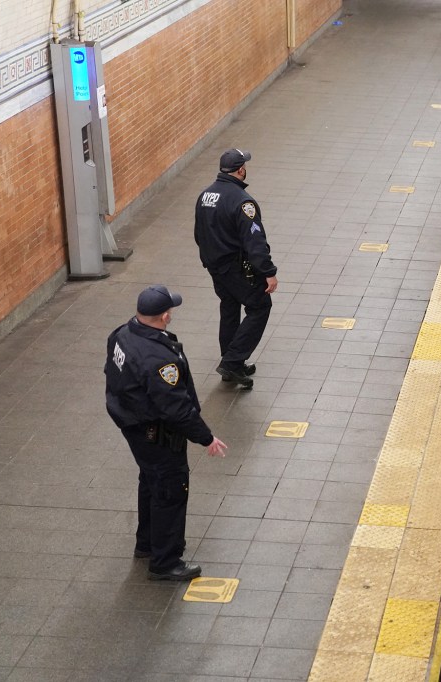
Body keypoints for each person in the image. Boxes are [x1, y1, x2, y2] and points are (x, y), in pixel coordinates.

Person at [105, 285, 228, 581]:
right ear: (164, 316)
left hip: (134, 426)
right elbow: (176, 408)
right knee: (171, 490)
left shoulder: (121, 334)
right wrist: (206, 437)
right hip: (156, 433)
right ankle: (165, 562)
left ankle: (147, 543)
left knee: (150, 482)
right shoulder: (159, 360)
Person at [193, 148, 278, 389]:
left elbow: (199, 233)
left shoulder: (205, 195)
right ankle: (232, 361)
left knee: (229, 307)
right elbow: (255, 242)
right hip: (236, 267)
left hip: (215, 266)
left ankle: (230, 361)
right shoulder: (243, 202)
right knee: (260, 306)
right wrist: (268, 272)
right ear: (240, 170)